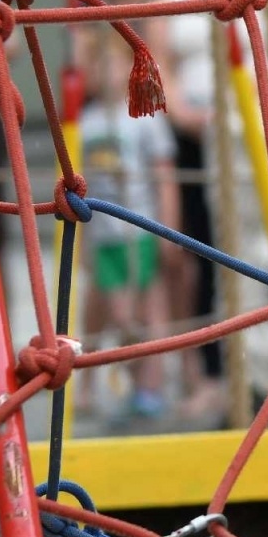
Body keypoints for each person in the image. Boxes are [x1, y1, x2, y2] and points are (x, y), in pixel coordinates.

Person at [76, 23, 182, 426]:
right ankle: (122, 377)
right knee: (119, 314)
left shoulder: (143, 118)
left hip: (141, 228)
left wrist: (168, 227)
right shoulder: (85, 123)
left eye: (110, 63)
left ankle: (149, 386)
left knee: (149, 309)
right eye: (95, 63)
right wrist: (83, 241)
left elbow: (163, 176)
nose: (102, 71)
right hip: (105, 235)